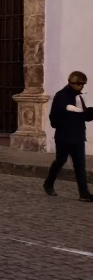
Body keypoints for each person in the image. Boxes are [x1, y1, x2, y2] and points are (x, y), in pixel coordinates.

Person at [44, 70, 93, 201]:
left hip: (78, 136)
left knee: (80, 166)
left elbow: (85, 116)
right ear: (71, 83)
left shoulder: (80, 97)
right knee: (60, 161)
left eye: (83, 84)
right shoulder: (61, 96)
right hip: (64, 137)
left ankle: (84, 194)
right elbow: (54, 117)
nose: (81, 86)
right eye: (79, 84)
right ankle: (48, 183)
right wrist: (69, 117)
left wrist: (90, 112)